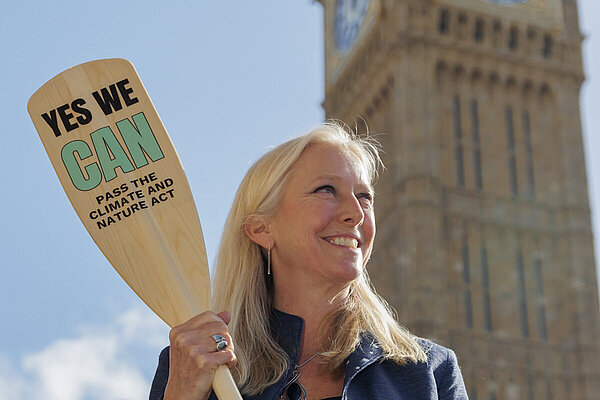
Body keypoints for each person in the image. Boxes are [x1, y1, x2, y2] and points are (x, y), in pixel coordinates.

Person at [149, 123, 468, 400]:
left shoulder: (430, 372)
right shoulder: (197, 366)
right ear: (261, 229)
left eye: (365, 197)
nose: (355, 213)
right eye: (327, 190)